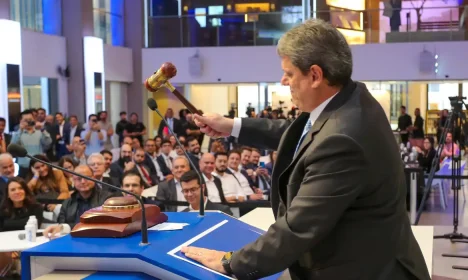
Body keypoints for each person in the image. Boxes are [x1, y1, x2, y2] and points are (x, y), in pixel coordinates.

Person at [181, 19, 430, 280]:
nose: (283, 81)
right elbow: (298, 134)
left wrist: (230, 262)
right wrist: (231, 126)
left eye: (289, 73)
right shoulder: (349, 99)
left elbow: (298, 227)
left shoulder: (343, 140)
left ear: (314, 75)